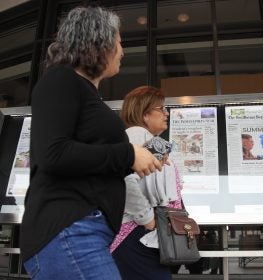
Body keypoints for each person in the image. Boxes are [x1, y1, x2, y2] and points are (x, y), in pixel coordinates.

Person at [19, 7, 162, 280]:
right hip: (70, 230)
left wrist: (133, 161)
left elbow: (86, 158)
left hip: (82, 233)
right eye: (120, 42)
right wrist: (128, 155)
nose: (122, 51)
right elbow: (54, 154)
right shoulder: (61, 80)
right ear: (100, 42)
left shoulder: (82, 91)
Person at [111, 86, 183, 280]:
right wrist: (148, 220)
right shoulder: (136, 135)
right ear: (144, 115)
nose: (166, 113)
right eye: (161, 109)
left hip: (144, 235)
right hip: (136, 234)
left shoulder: (151, 140)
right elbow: (124, 181)